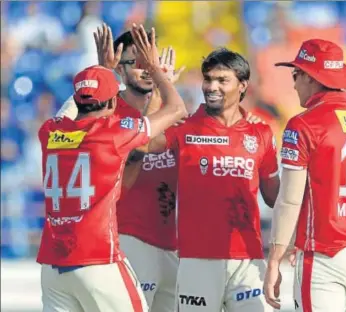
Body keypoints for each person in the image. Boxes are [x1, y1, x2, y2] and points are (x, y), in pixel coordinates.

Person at [37, 24, 187, 312]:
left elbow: (71, 111)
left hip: (53, 263)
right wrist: (158, 73)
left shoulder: (49, 130)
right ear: (111, 100)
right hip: (98, 257)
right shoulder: (113, 132)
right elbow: (174, 111)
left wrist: (100, 72)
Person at [145, 47, 280, 312]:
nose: (211, 87)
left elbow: (275, 197)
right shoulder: (185, 127)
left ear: (242, 85)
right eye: (208, 79)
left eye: (222, 80)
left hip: (247, 260)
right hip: (197, 260)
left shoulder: (261, 131)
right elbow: (142, 144)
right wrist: (159, 90)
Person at [263, 38, 346, 312]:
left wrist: (274, 259)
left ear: (310, 77)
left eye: (296, 75)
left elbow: (290, 200)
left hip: (324, 252)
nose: (293, 84)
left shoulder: (303, 125)